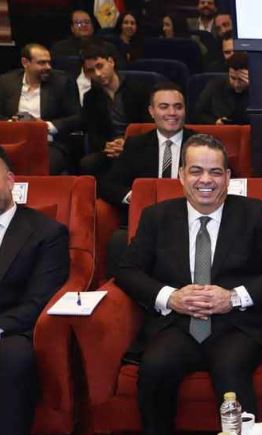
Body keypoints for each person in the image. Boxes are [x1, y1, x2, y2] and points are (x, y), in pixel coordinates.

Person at [116, 134, 262, 435]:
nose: (206, 180)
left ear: (228, 177)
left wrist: (233, 296)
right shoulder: (157, 217)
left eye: (215, 172)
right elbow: (127, 271)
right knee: (155, 366)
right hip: (178, 323)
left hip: (236, 324)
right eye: (196, 171)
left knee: (230, 367)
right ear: (181, 175)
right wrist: (170, 296)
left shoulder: (254, 214)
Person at [0, 146, 70, 435]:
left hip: (12, 330)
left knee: (13, 361)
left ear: (11, 181)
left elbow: (39, 300)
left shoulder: (45, 232)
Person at [100, 83, 196, 276]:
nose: (172, 113)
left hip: (190, 218)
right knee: (119, 240)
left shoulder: (200, 143)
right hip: (146, 220)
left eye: (178, 107)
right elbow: (109, 184)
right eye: (164, 107)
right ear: (152, 111)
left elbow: (230, 182)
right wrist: (135, 197)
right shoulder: (136, 144)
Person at [0, 43, 81, 174]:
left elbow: (77, 118)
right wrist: (11, 124)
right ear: (25, 62)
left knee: (42, 165)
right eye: (42, 63)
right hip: (11, 142)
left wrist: (44, 126)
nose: (48, 67)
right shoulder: (6, 82)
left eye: (49, 62)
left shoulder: (62, 82)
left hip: (49, 143)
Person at [79, 41, 151, 177]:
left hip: (138, 145)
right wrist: (107, 146)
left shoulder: (139, 88)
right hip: (110, 149)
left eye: (100, 66)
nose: (97, 74)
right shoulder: (90, 97)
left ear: (111, 62)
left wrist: (128, 144)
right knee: (87, 163)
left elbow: (148, 125)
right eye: (91, 71)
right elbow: (94, 133)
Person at [192, 52, 249, 125]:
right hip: (220, 129)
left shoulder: (259, 91)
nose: (236, 84)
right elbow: (198, 114)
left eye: (241, 80)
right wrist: (215, 121)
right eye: (233, 78)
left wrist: (252, 88)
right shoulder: (216, 85)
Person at [51, 10, 121, 63]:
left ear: (92, 26)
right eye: (78, 23)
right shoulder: (59, 48)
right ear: (72, 28)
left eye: (87, 22)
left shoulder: (108, 47)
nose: (84, 25)